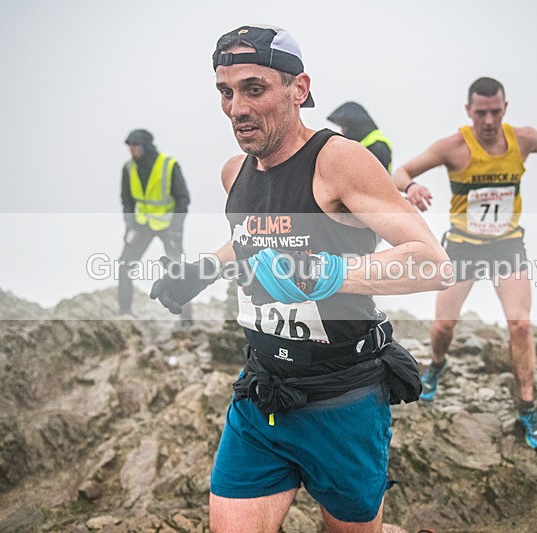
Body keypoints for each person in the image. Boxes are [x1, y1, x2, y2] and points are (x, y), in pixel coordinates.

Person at [149, 25, 447, 533]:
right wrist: (204, 269)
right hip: (261, 395)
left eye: (254, 89)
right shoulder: (233, 173)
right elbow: (251, 239)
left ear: (299, 89)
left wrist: (325, 275)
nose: (237, 107)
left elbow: (430, 263)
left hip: (343, 402)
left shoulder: (340, 161)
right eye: (226, 91)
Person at [391, 77, 537, 451]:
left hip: (506, 245)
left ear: (504, 108)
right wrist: (411, 188)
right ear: (468, 111)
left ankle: (526, 405)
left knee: (520, 324)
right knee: (443, 326)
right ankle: (436, 366)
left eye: (494, 112)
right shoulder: (453, 147)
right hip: (462, 246)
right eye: (480, 113)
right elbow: (400, 172)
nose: (488, 121)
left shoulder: (522, 139)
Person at [118, 129, 191, 322]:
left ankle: (186, 320)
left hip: (168, 226)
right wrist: (130, 225)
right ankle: (124, 313)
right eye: (130, 147)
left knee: (178, 269)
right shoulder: (128, 169)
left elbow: (183, 200)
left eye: (135, 147)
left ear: (146, 146)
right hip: (142, 224)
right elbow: (127, 200)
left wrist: (176, 228)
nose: (132, 151)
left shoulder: (169, 166)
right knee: (124, 265)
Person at [327, 101, 393, 172]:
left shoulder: (378, 145)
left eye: (345, 127)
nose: (342, 131)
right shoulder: (362, 142)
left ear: (354, 125)